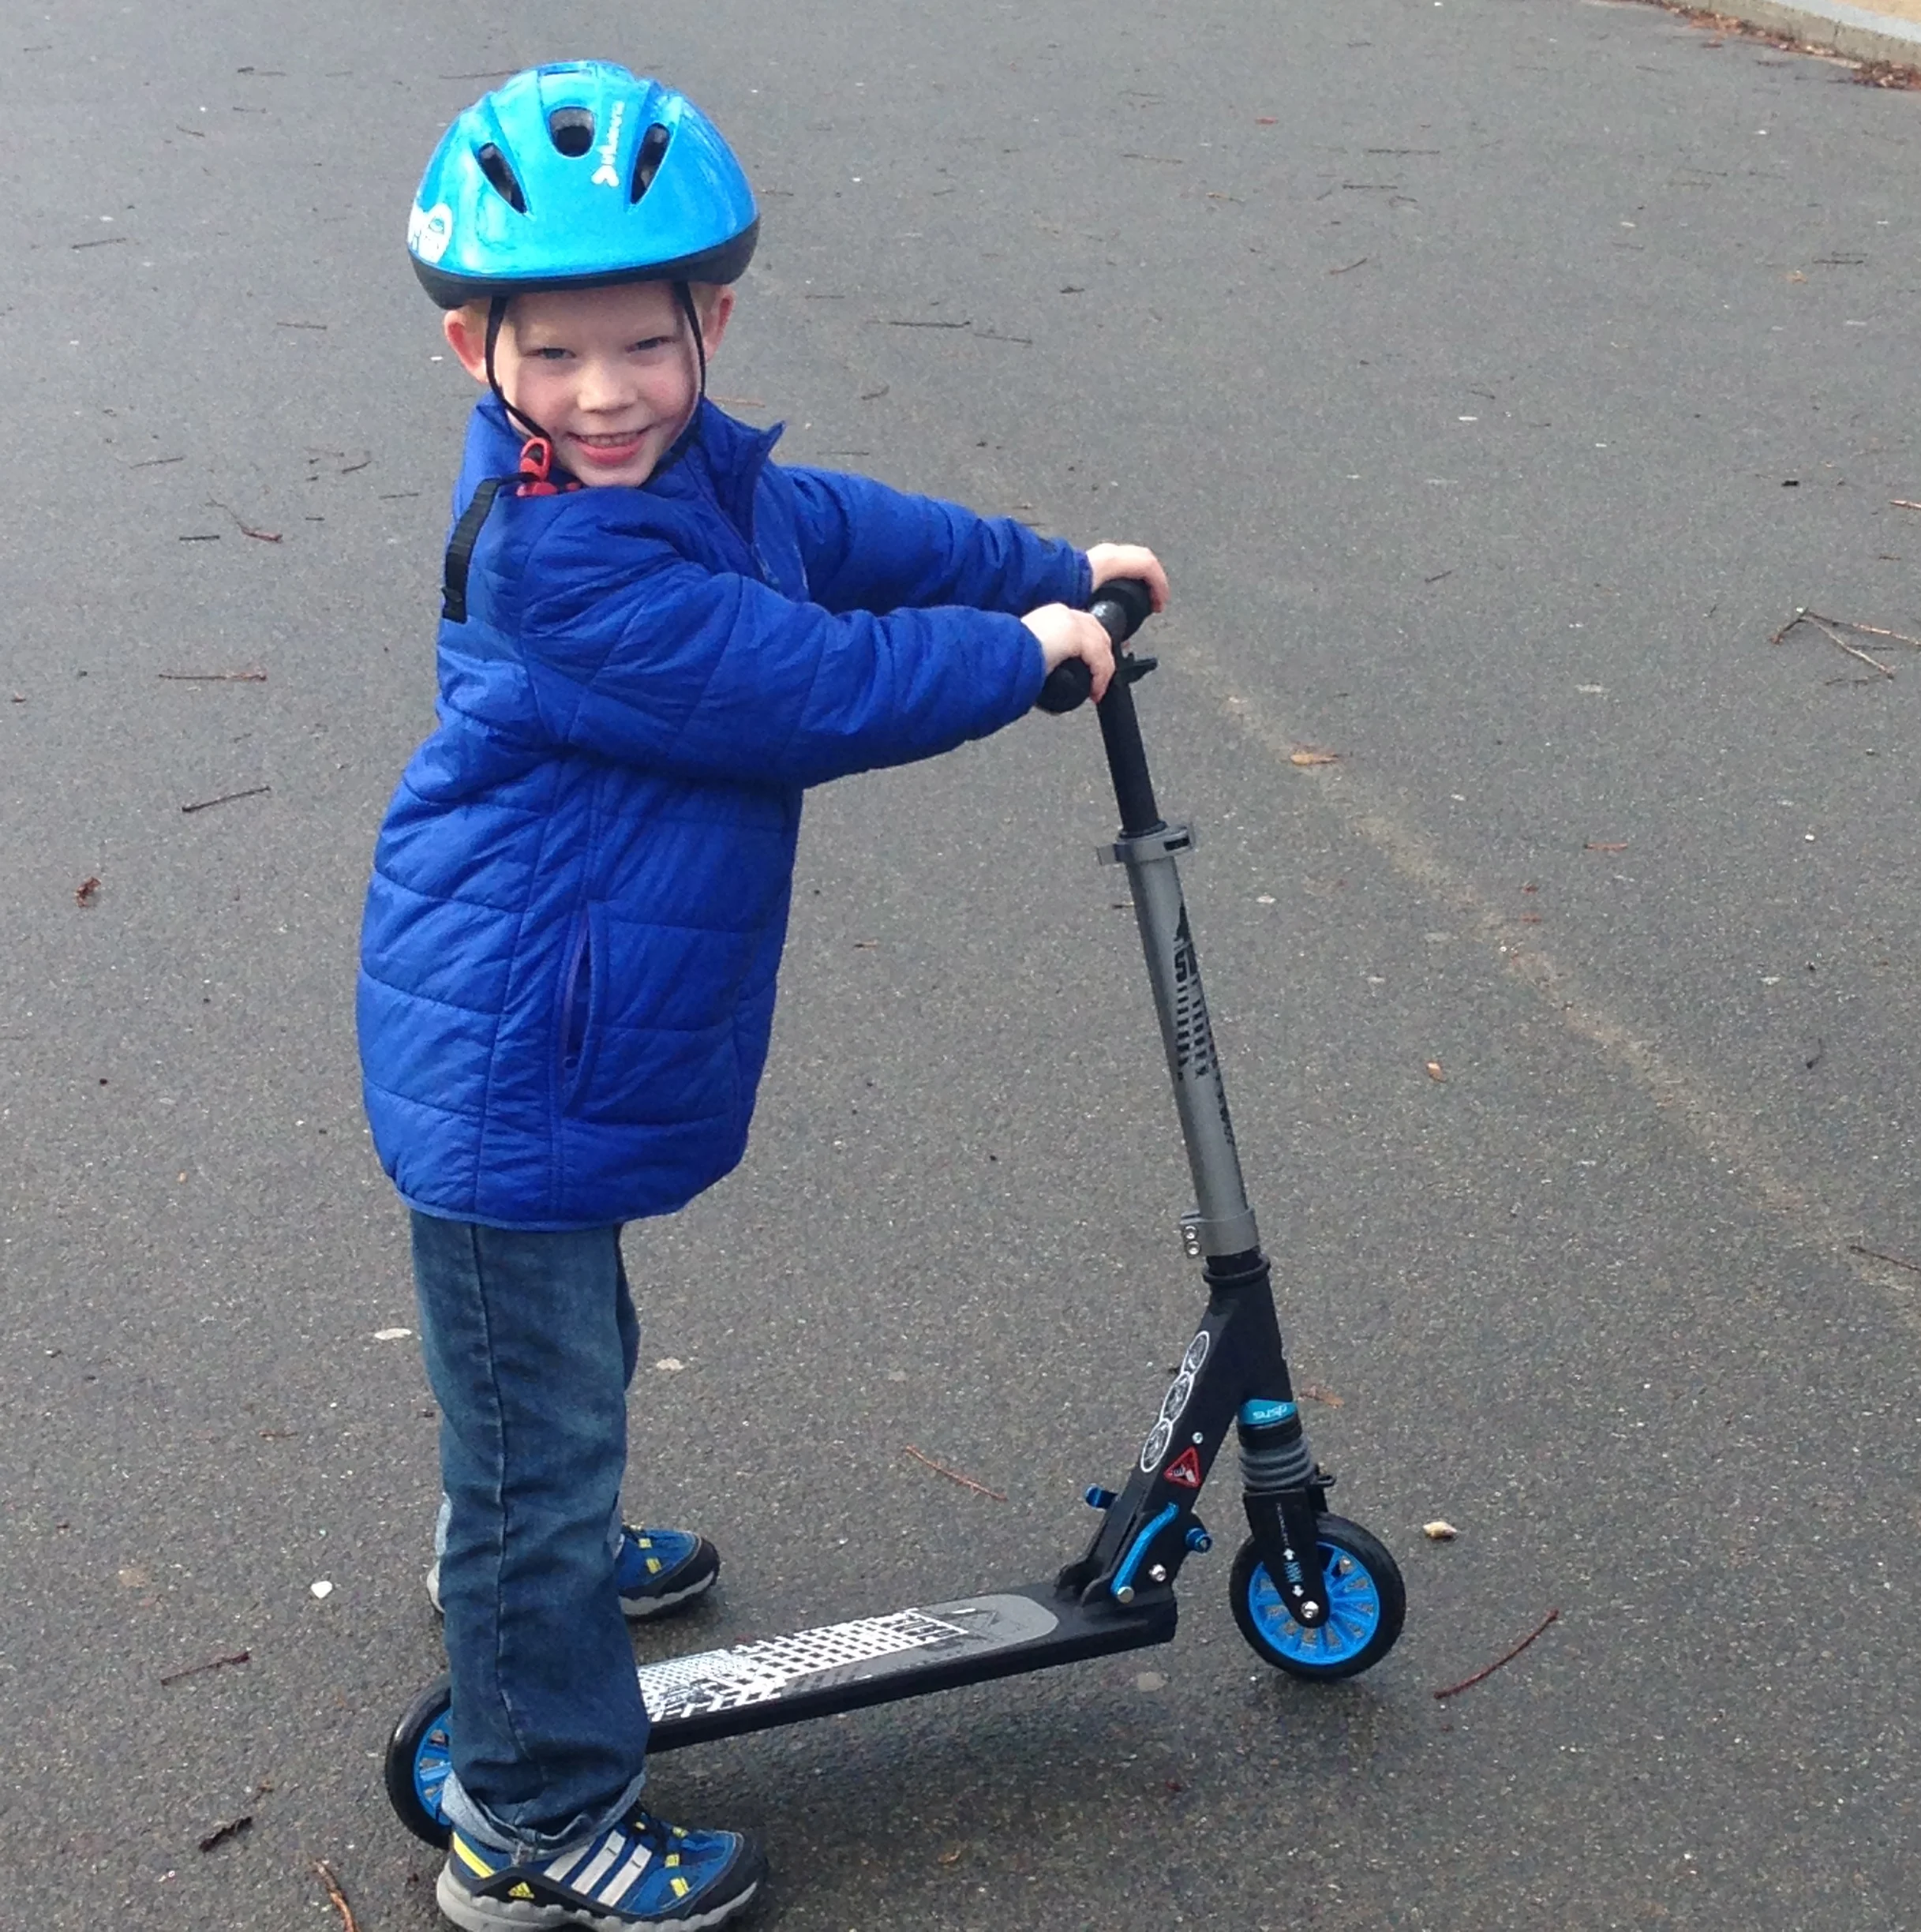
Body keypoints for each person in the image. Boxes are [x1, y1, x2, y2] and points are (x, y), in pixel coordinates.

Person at [359, 59, 1168, 1931]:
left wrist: (1045, 565)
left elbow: (844, 534)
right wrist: (1026, 658)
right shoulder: (567, 561)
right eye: (551, 356)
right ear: (470, 350)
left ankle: (521, 1550)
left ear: (708, 322)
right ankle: (530, 1830)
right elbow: (804, 676)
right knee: (535, 1422)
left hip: (563, 1033)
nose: (605, 392)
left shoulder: (694, 470)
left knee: (551, 1379)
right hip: (509, 1056)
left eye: (643, 344)